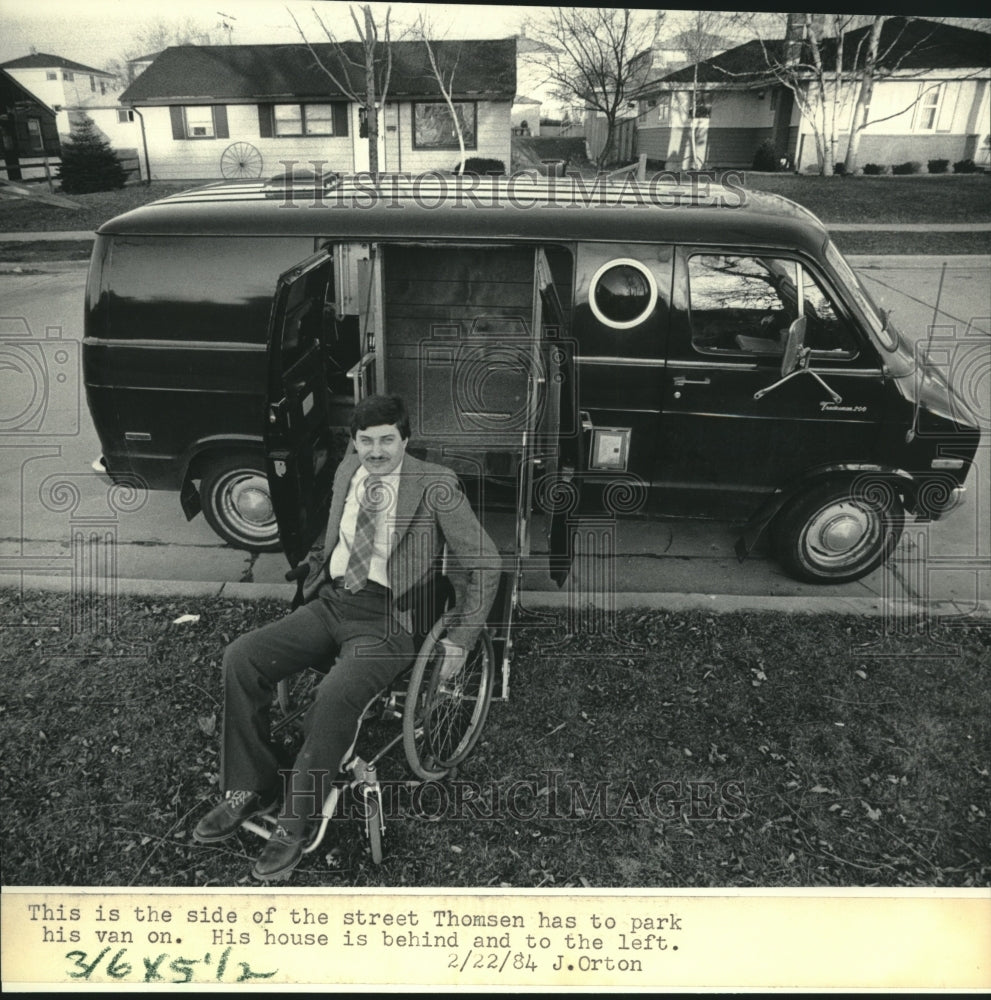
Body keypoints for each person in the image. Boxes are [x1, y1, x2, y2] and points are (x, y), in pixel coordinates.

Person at [194, 394, 501, 880]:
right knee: (241, 657)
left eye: (386, 441)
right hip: (334, 600)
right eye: (366, 441)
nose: (375, 452)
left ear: (405, 439)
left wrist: (461, 638)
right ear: (354, 442)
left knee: (335, 693)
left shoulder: (436, 486)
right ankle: (251, 786)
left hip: (392, 617)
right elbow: (335, 529)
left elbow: (485, 561)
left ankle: (293, 822)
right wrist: (319, 565)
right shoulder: (347, 471)